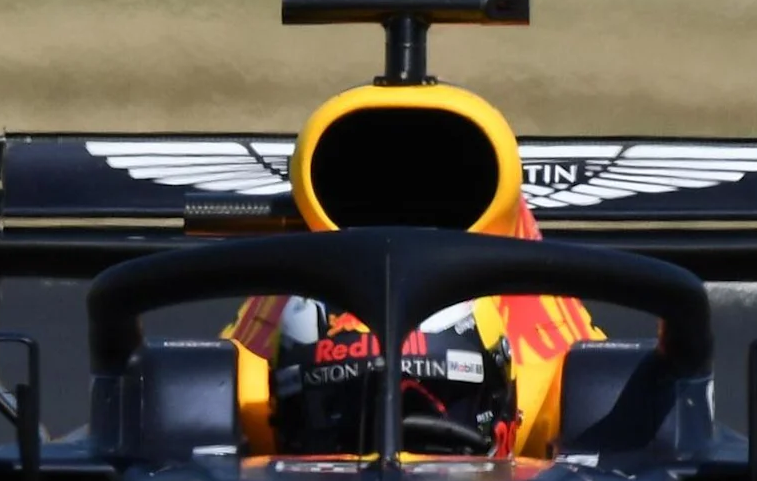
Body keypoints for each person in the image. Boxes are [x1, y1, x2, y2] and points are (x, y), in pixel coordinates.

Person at [225, 79, 598, 457]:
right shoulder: (246, 392)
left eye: (436, 405)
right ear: (279, 418)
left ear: (506, 417)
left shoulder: (557, 391)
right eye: (344, 411)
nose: (394, 454)